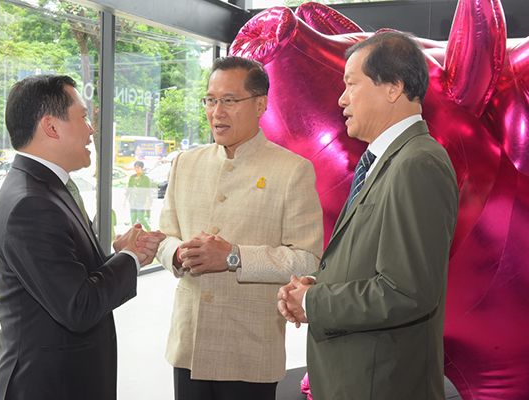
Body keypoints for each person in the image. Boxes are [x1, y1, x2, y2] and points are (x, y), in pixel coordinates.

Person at [278, 31, 459, 399]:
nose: (342, 99)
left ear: (393, 87)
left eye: (351, 84)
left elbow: (406, 291)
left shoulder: (417, 164)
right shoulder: (389, 159)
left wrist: (314, 302)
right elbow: (372, 263)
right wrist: (318, 285)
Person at [156, 56, 324, 400]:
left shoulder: (292, 170)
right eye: (210, 100)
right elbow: (164, 236)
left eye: (230, 100)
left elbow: (307, 259)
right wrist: (176, 253)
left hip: (249, 351)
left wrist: (233, 257)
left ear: (260, 104)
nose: (217, 112)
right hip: (189, 346)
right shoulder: (186, 163)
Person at [0, 74, 165, 400]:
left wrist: (122, 255)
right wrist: (129, 258)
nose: (91, 129)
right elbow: (78, 305)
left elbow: (72, 277)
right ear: (51, 127)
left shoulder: (48, 187)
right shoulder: (32, 203)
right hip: (50, 386)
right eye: (83, 117)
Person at [126, 160, 153, 230]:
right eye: (135, 167)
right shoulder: (132, 177)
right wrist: (125, 199)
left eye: (138, 167)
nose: (136, 169)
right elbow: (129, 188)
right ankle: (135, 233)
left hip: (141, 201)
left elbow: (148, 191)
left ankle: (149, 230)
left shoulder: (146, 178)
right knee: (133, 219)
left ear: (142, 168)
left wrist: (148, 201)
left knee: (141, 218)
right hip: (132, 201)